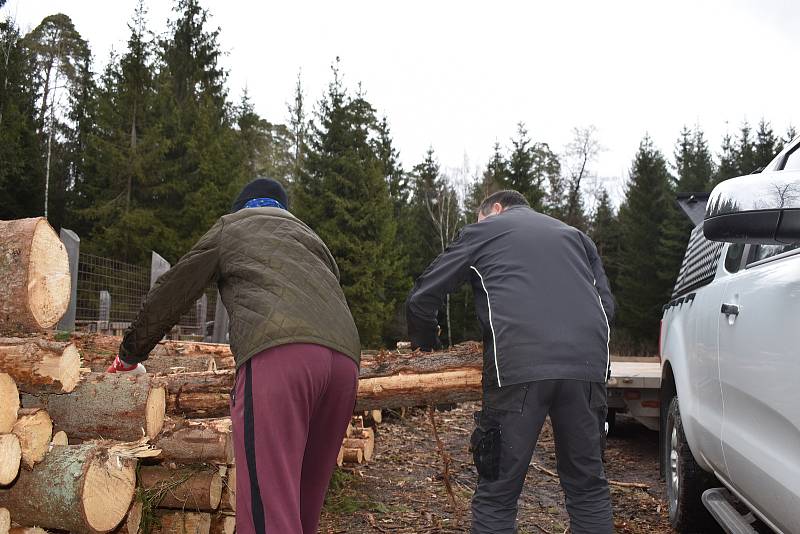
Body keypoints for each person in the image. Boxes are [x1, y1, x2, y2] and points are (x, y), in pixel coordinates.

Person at [107, 177, 361, 534]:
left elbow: (176, 288)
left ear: (242, 204)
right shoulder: (311, 238)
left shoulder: (233, 226)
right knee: (302, 513)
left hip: (281, 358)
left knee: (266, 517)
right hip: (345, 365)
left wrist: (129, 352)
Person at [406, 189, 614, 534]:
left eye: (478, 217)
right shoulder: (577, 237)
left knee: (497, 495)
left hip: (517, 368)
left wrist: (429, 354)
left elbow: (422, 298)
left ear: (495, 209)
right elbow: (607, 307)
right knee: (588, 489)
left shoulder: (485, 230)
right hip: (587, 368)